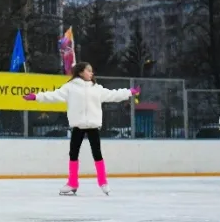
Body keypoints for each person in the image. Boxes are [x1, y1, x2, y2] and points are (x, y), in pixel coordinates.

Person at [23, 62, 137, 196]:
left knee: (97, 153)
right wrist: (36, 97)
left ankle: (103, 182)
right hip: (78, 125)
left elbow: (113, 95)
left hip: (93, 125)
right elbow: (54, 95)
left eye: (92, 71)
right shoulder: (70, 87)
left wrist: (129, 92)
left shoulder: (96, 88)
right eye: (89, 70)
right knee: (73, 153)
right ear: (81, 72)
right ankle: (72, 182)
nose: (91, 73)